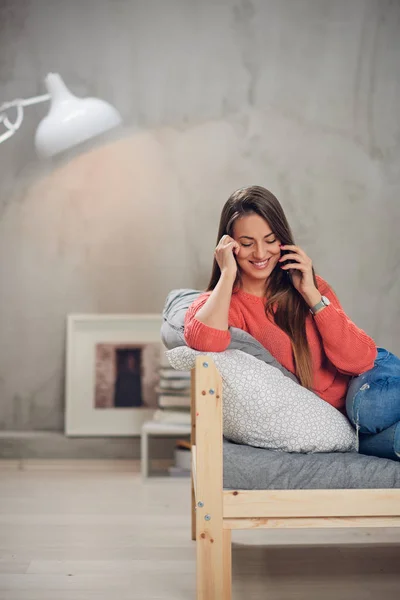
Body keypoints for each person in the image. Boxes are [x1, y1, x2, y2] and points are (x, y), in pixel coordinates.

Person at [184, 186, 400, 461]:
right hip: (349, 425)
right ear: (229, 246)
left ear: (282, 241)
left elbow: (360, 360)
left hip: (370, 384)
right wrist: (227, 274)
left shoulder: (309, 286)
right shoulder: (225, 303)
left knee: (370, 409)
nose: (261, 253)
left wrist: (312, 296)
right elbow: (204, 340)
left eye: (270, 240)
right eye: (247, 243)